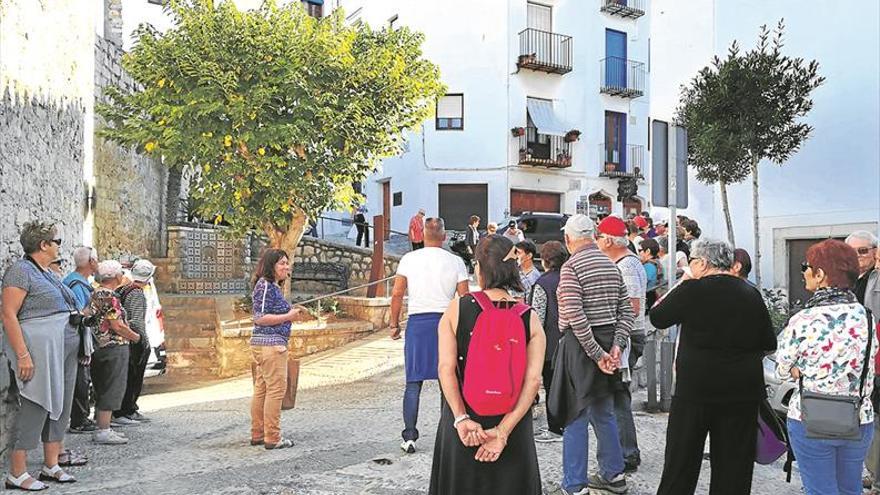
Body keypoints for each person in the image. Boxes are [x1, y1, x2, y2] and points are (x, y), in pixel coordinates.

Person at [649, 238, 776, 495]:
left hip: (696, 389)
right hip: (742, 391)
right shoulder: (750, 293)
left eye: (692, 262)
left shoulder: (692, 290)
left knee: (681, 461)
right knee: (734, 466)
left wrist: (684, 282)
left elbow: (658, 316)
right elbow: (768, 342)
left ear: (702, 263)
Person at [428, 234, 546, 494]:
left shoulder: (456, 308)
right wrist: (502, 432)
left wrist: (461, 418)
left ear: (479, 269)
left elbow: (445, 369)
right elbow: (533, 381)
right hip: (512, 425)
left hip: (465, 424)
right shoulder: (530, 318)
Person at [776, 239, 876, 495]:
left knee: (820, 490)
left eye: (806, 266)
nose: (804, 272)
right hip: (857, 417)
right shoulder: (866, 317)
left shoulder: (803, 320)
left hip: (811, 417)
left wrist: (800, 369)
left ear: (820, 275)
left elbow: (781, 368)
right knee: (849, 489)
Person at [547, 214, 634, 495]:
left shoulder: (571, 267)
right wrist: (616, 346)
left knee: (576, 414)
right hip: (609, 344)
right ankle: (614, 474)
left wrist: (597, 354)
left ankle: (574, 485)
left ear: (569, 239)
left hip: (582, 348)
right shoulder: (611, 265)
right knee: (604, 411)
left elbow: (575, 315)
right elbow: (626, 310)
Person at [2, 222, 83, 489]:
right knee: (36, 403)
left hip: (64, 346)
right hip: (39, 349)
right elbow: (8, 314)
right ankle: (17, 471)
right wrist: (23, 355)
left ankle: (51, 465)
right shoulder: (20, 271)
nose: (60, 246)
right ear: (43, 245)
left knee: (60, 404)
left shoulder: (47, 272)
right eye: (56, 241)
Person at [390, 218, 469, 453]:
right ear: (444, 237)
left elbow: (396, 294)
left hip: (418, 323)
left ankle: (409, 436)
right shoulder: (456, 261)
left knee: (413, 382)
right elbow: (464, 298)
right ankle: (449, 432)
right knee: (449, 381)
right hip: (446, 323)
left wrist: (394, 324)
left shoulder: (409, 259)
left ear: (422, 235)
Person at [595, 215, 646, 473]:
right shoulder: (624, 261)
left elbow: (633, 307)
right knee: (617, 395)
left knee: (618, 396)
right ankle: (625, 450)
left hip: (625, 337)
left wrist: (615, 340)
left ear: (608, 240)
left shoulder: (625, 266)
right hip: (623, 336)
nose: (596, 241)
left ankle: (627, 454)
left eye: (599, 236)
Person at [250, 249, 307, 450]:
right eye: (282, 263)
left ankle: (258, 433)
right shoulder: (266, 286)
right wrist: (288, 316)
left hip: (265, 345)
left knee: (263, 389)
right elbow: (260, 317)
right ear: (271, 266)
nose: (286, 267)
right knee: (275, 391)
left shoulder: (271, 286)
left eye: (287, 263)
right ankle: (272, 437)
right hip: (271, 345)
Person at [88, 260, 143, 445]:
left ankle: (103, 425)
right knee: (112, 385)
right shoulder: (108, 295)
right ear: (116, 276)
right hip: (113, 345)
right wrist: (135, 337)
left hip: (100, 346)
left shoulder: (95, 292)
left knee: (103, 384)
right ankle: (104, 429)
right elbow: (116, 324)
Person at [531, 241, 568, 443]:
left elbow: (538, 316)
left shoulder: (543, 283)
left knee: (553, 387)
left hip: (550, 345)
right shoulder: (571, 276)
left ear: (545, 261)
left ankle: (555, 427)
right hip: (572, 341)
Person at [112, 259, 156, 425]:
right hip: (133, 339)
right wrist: (142, 341)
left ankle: (125, 409)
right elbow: (136, 321)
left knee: (127, 375)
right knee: (134, 377)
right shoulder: (136, 293)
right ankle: (127, 409)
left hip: (124, 339)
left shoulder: (123, 289)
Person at [64, 247, 99, 437]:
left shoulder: (77, 282)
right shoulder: (77, 285)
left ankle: (81, 416)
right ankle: (79, 419)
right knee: (80, 379)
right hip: (77, 338)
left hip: (78, 337)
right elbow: (78, 314)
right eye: (96, 260)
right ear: (91, 262)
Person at [847, 231, 878, 307]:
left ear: (875, 251)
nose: (857, 255)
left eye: (863, 251)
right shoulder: (843, 278)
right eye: (852, 251)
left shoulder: (878, 277)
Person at [639, 238, 663, 310]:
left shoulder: (649, 266)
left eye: (640, 250)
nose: (639, 253)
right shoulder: (657, 262)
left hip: (648, 297)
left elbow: (643, 282)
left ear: (648, 251)